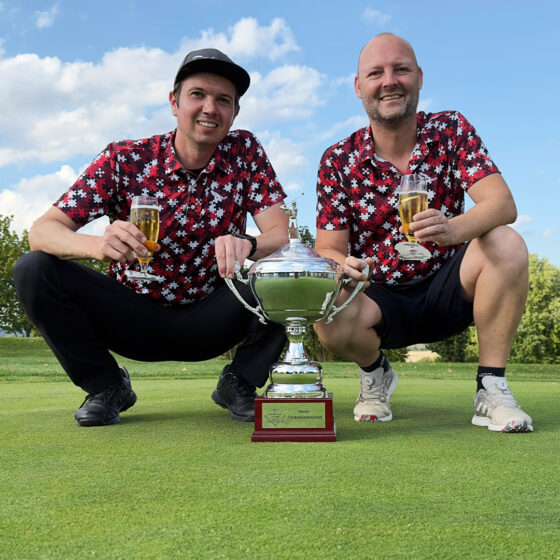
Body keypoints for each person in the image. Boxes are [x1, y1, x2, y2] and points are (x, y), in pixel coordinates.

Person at [13, 48, 289, 427]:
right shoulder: (124, 158)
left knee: (287, 272)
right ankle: (108, 385)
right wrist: (97, 246)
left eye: (223, 100)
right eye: (198, 95)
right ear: (174, 102)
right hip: (132, 316)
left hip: (213, 317)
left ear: (234, 113)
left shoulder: (244, 152)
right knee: (34, 269)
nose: (210, 108)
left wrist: (251, 244)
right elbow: (42, 231)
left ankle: (239, 381)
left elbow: (280, 235)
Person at [313, 33, 533, 433]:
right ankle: (376, 373)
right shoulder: (338, 159)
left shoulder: (450, 128)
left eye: (401, 69)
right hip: (378, 297)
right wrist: (346, 265)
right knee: (325, 304)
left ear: (419, 77)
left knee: (506, 241)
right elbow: (328, 248)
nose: (389, 80)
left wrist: (453, 230)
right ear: (358, 86)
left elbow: (503, 204)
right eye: (375, 73)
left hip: (451, 287)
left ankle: (491, 388)